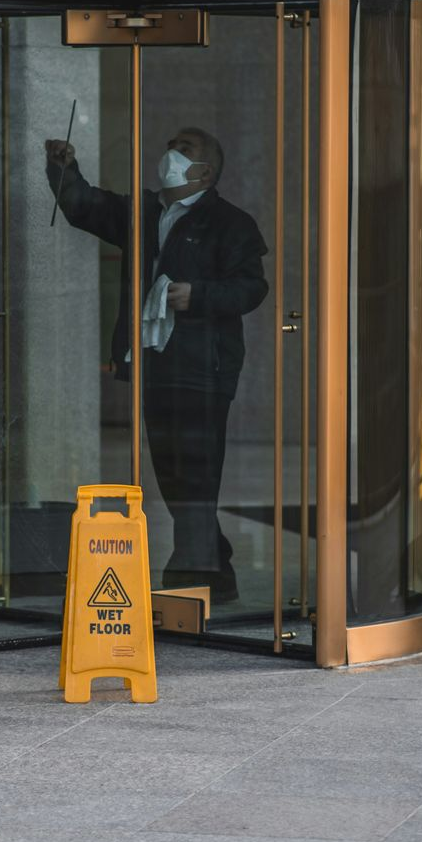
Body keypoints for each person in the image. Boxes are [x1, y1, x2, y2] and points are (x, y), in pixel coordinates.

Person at [44, 127, 267, 603]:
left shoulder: (230, 223)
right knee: (173, 473)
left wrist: (197, 296)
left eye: (184, 149)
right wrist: (64, 168)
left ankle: (189, 581)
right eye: (172, 145)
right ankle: (215, 572)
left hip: (203, 369)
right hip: (156, 364)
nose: (171, 153)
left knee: (197, 475)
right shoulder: (145, 211)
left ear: (204, 171)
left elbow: (251, 288)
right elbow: (86, 206)